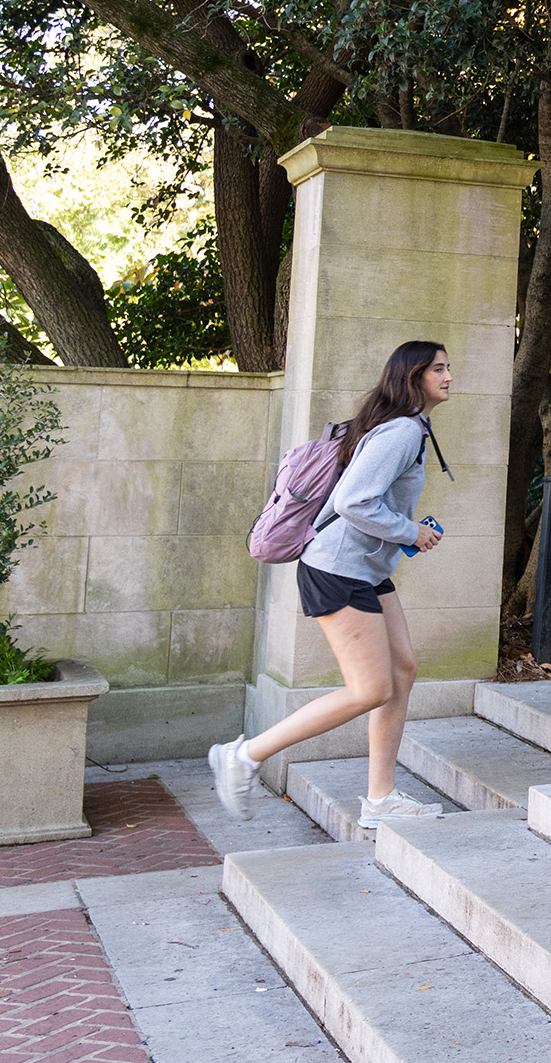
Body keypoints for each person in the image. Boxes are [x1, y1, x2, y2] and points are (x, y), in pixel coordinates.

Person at [209, 341, 455, 829]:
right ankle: (244, 756)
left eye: (448, 368)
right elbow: (353, 501)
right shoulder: (402, 431)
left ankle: (381, 801)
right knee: (369, 689)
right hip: (336, 569)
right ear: (413, 378)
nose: (449, 377)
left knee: (402, 668)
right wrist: (412, 531)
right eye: (439, 370)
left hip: (365, 569)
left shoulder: (409, 427)